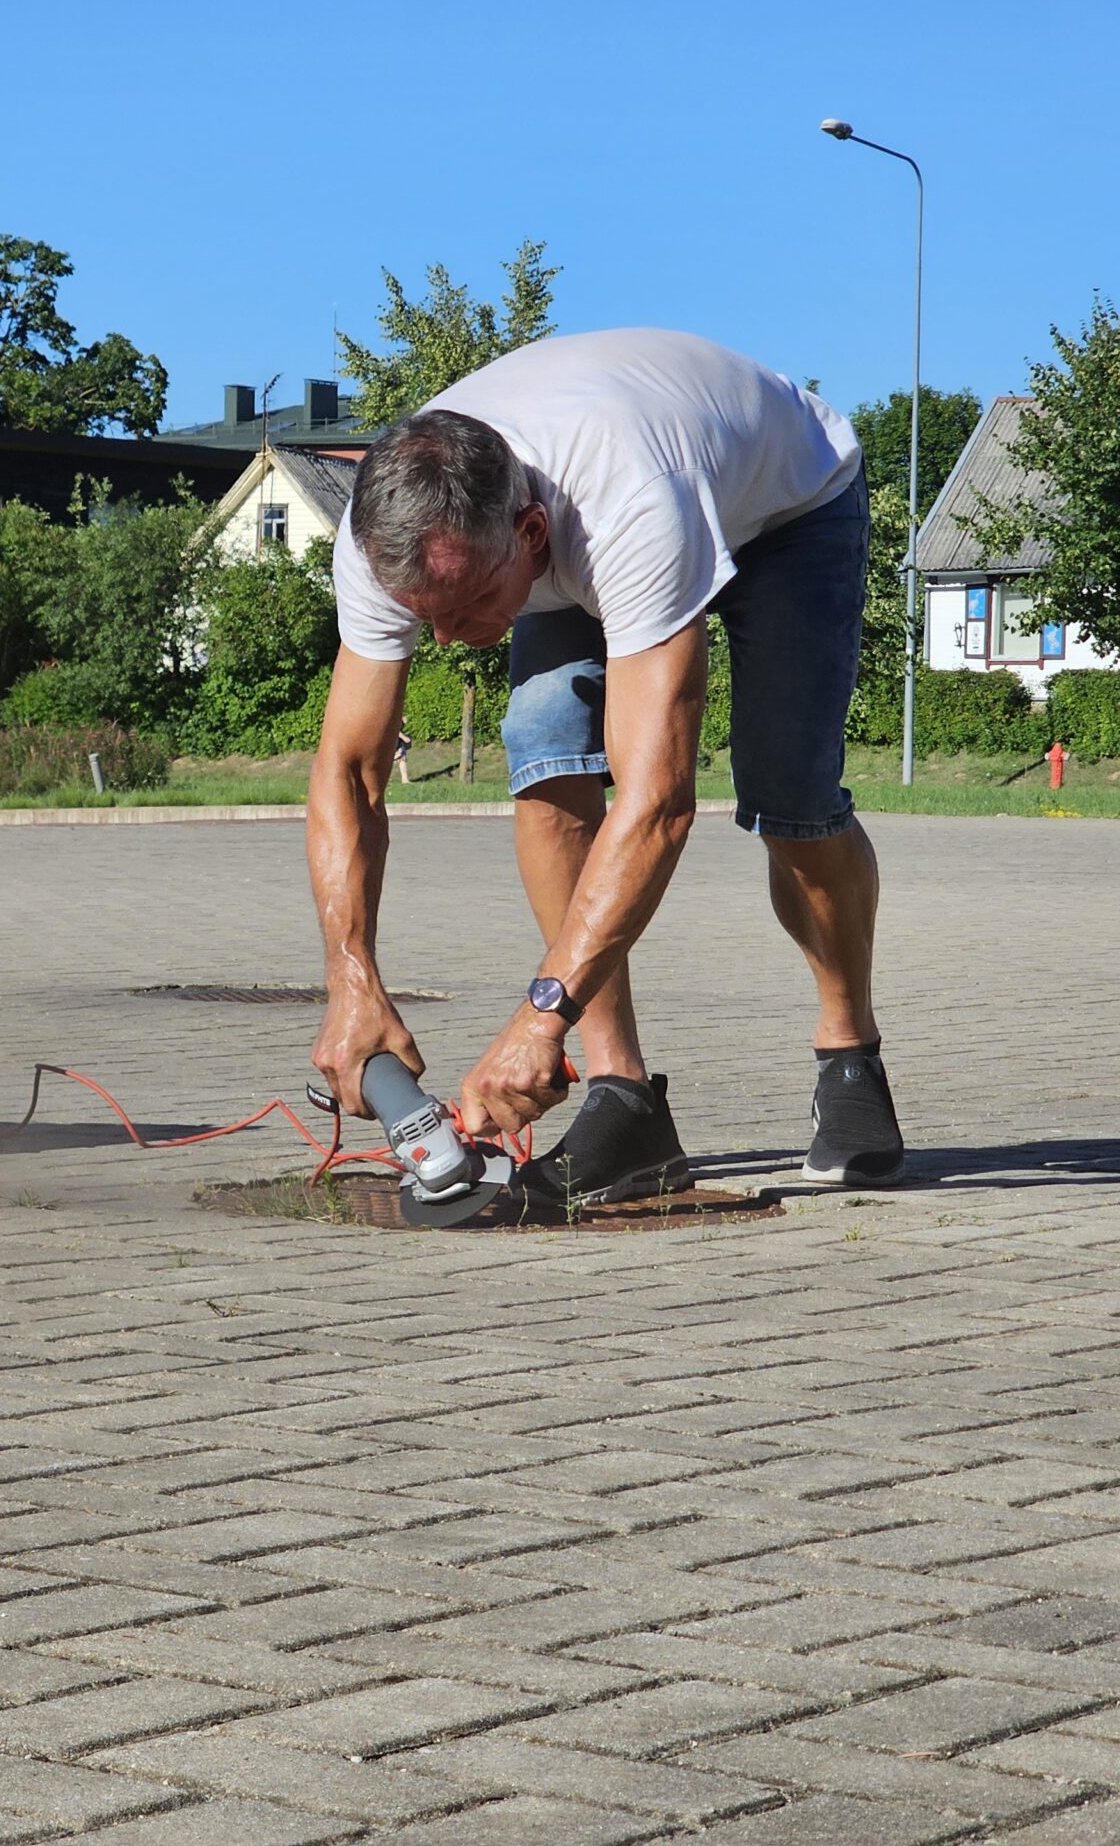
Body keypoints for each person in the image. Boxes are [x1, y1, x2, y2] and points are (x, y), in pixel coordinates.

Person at [305, 327, 904, 1206]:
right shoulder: (387, 539)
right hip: (583, 529)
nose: (446, 639)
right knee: (544, 756)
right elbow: (350, 770)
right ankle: (624, 1100)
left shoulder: (629, 502)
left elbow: (658, 802)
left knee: (790, 791)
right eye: (423, 614)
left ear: (530, 532)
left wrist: (538, 1020)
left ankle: (849, 1051)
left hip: (789, 510)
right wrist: (350, 981)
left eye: (467, 604)